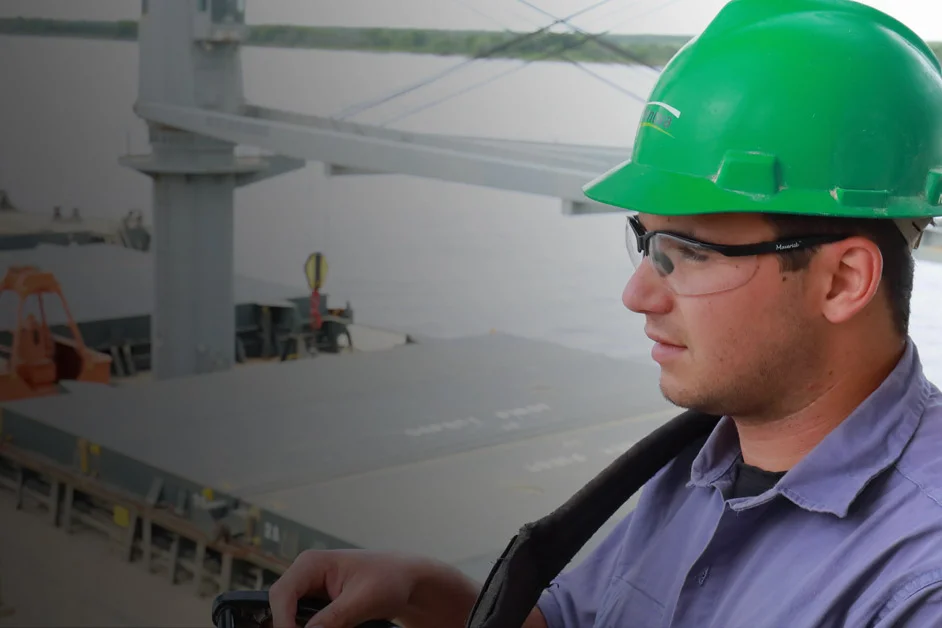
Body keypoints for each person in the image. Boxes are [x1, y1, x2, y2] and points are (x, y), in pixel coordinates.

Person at [268, 0, 942, 626]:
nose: (638, 293)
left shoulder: (919, 579)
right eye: (647, 241)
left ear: (843, 280)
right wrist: (428, 593)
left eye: (691, 252)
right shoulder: (704, 458)